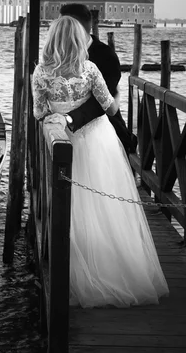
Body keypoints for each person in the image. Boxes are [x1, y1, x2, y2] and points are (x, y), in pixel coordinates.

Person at [32, 15, 169, 308]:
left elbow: (38, 112)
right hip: (98, 143)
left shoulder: (41, 73)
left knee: (72, 208)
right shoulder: (91, 69)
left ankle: (75, 272)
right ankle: (117, 268)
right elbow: (110, 106)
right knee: (107, 208)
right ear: (80, 40)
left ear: (52, 39)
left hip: (62, 143)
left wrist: (60, 114)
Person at [60, 3, 137, 155]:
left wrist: (68, 120)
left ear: (78, 26)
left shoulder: (105, 56)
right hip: (69, 130)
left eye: (63, 25)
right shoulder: (62, 53)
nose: (59, 31)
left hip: (102, 133)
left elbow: (102, 101)